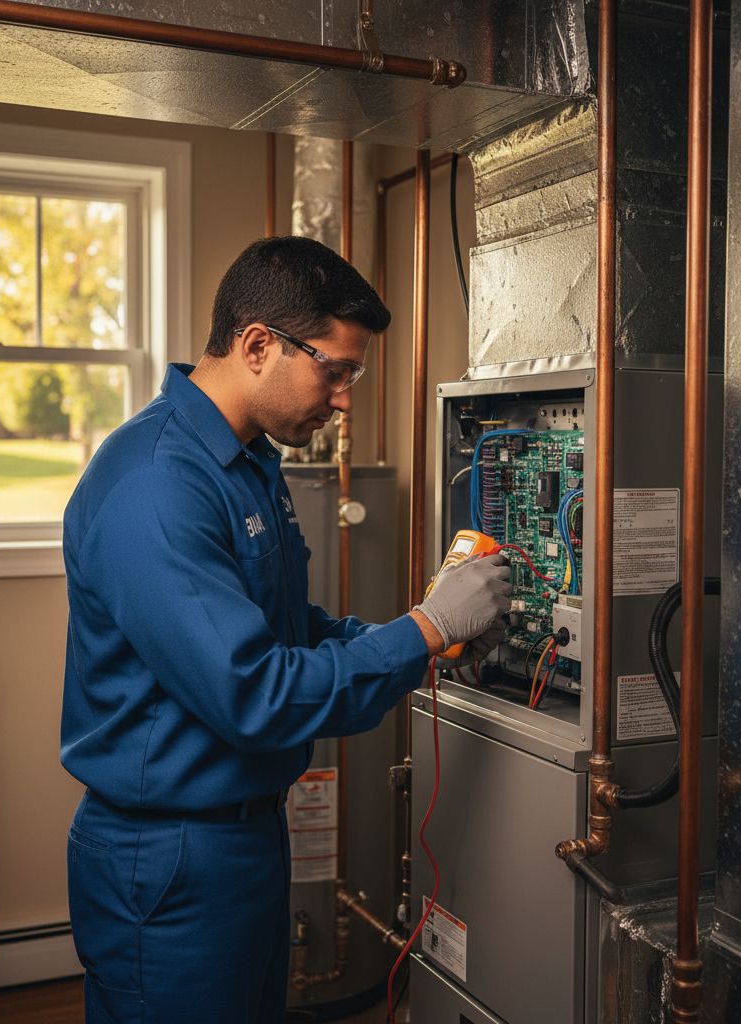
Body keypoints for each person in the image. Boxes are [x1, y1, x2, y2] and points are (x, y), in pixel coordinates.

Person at [60, 235, 513, 1024]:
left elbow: (286, 631)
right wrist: (423, 629)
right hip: (171, 855)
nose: (344, 398)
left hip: (244, 840)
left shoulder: (246, 463)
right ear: (258, 345)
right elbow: (256, 693)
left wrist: (424, 639)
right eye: (334, 370)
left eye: (354, 374)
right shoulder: (156, 484)